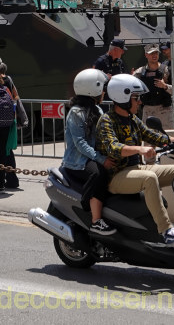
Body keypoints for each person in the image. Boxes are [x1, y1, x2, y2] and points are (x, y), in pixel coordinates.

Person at [95, 74, 174, 245]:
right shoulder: (107, 120)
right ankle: (166, 230)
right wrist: (140, 149)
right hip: (116, 176)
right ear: (123, 98)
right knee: (150, 179)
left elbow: (154, 136)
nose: (139, 102)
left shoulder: (132, 119)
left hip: (136, 168)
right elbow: (113, 147)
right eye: (136, 98)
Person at [61, 68, 115, 235]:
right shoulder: (76, 113)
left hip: (89, 158)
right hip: (77, 162)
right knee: (100, 174)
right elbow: (80, 144)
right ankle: (96, 221)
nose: (104, 92)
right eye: (102, 88)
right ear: (94, 89)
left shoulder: (97, 110)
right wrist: (101, 159)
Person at [0, 62, 29, 189]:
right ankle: (11, 178)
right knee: (7, 150)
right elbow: (16, 96)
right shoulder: (9, 79)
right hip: (10, 118)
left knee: (4, 150)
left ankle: (9, 179)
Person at [132, 45, 174, 130]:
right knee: (148, 141)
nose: (154, 55)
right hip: (148, 111)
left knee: (168, 139)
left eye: (156, 53)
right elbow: (131, 88)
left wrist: (165, 86)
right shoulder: (140, 72)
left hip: (164, 112)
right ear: (146, 55)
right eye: (151, 53)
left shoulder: (167, 70)